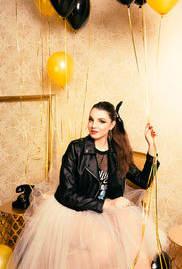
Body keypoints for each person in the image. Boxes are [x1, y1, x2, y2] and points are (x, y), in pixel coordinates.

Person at [8, 101, 168, 269]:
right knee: (105, 245)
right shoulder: (76, 149)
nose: (94, 125)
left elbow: (143, 181)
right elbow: (66, 195)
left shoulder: (118, 151)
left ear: (112, 125)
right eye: (91, 119)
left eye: (101, 121)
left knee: (132, 227)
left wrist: (151, 147)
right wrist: (106, 203)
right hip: (75, 211)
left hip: (107, 212)